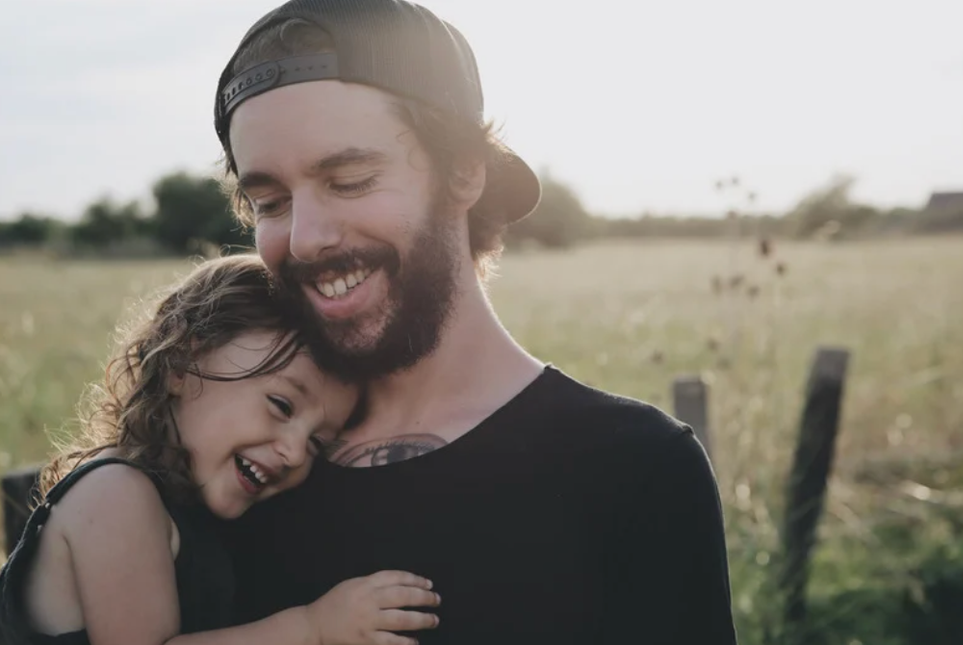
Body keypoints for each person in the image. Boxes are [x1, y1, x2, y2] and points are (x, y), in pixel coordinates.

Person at [215, 1, 739, 643]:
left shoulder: (632, 468)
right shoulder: (238, 462)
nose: (304, 239)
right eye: (270, 202)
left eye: (349, 180)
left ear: (465, 172)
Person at [0, 255, 441, 645]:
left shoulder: (185, 509)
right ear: (181, 362)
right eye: (281, 405)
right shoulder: (116, 493)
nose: (293, 452)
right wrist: (312, 629)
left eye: (316, 443)